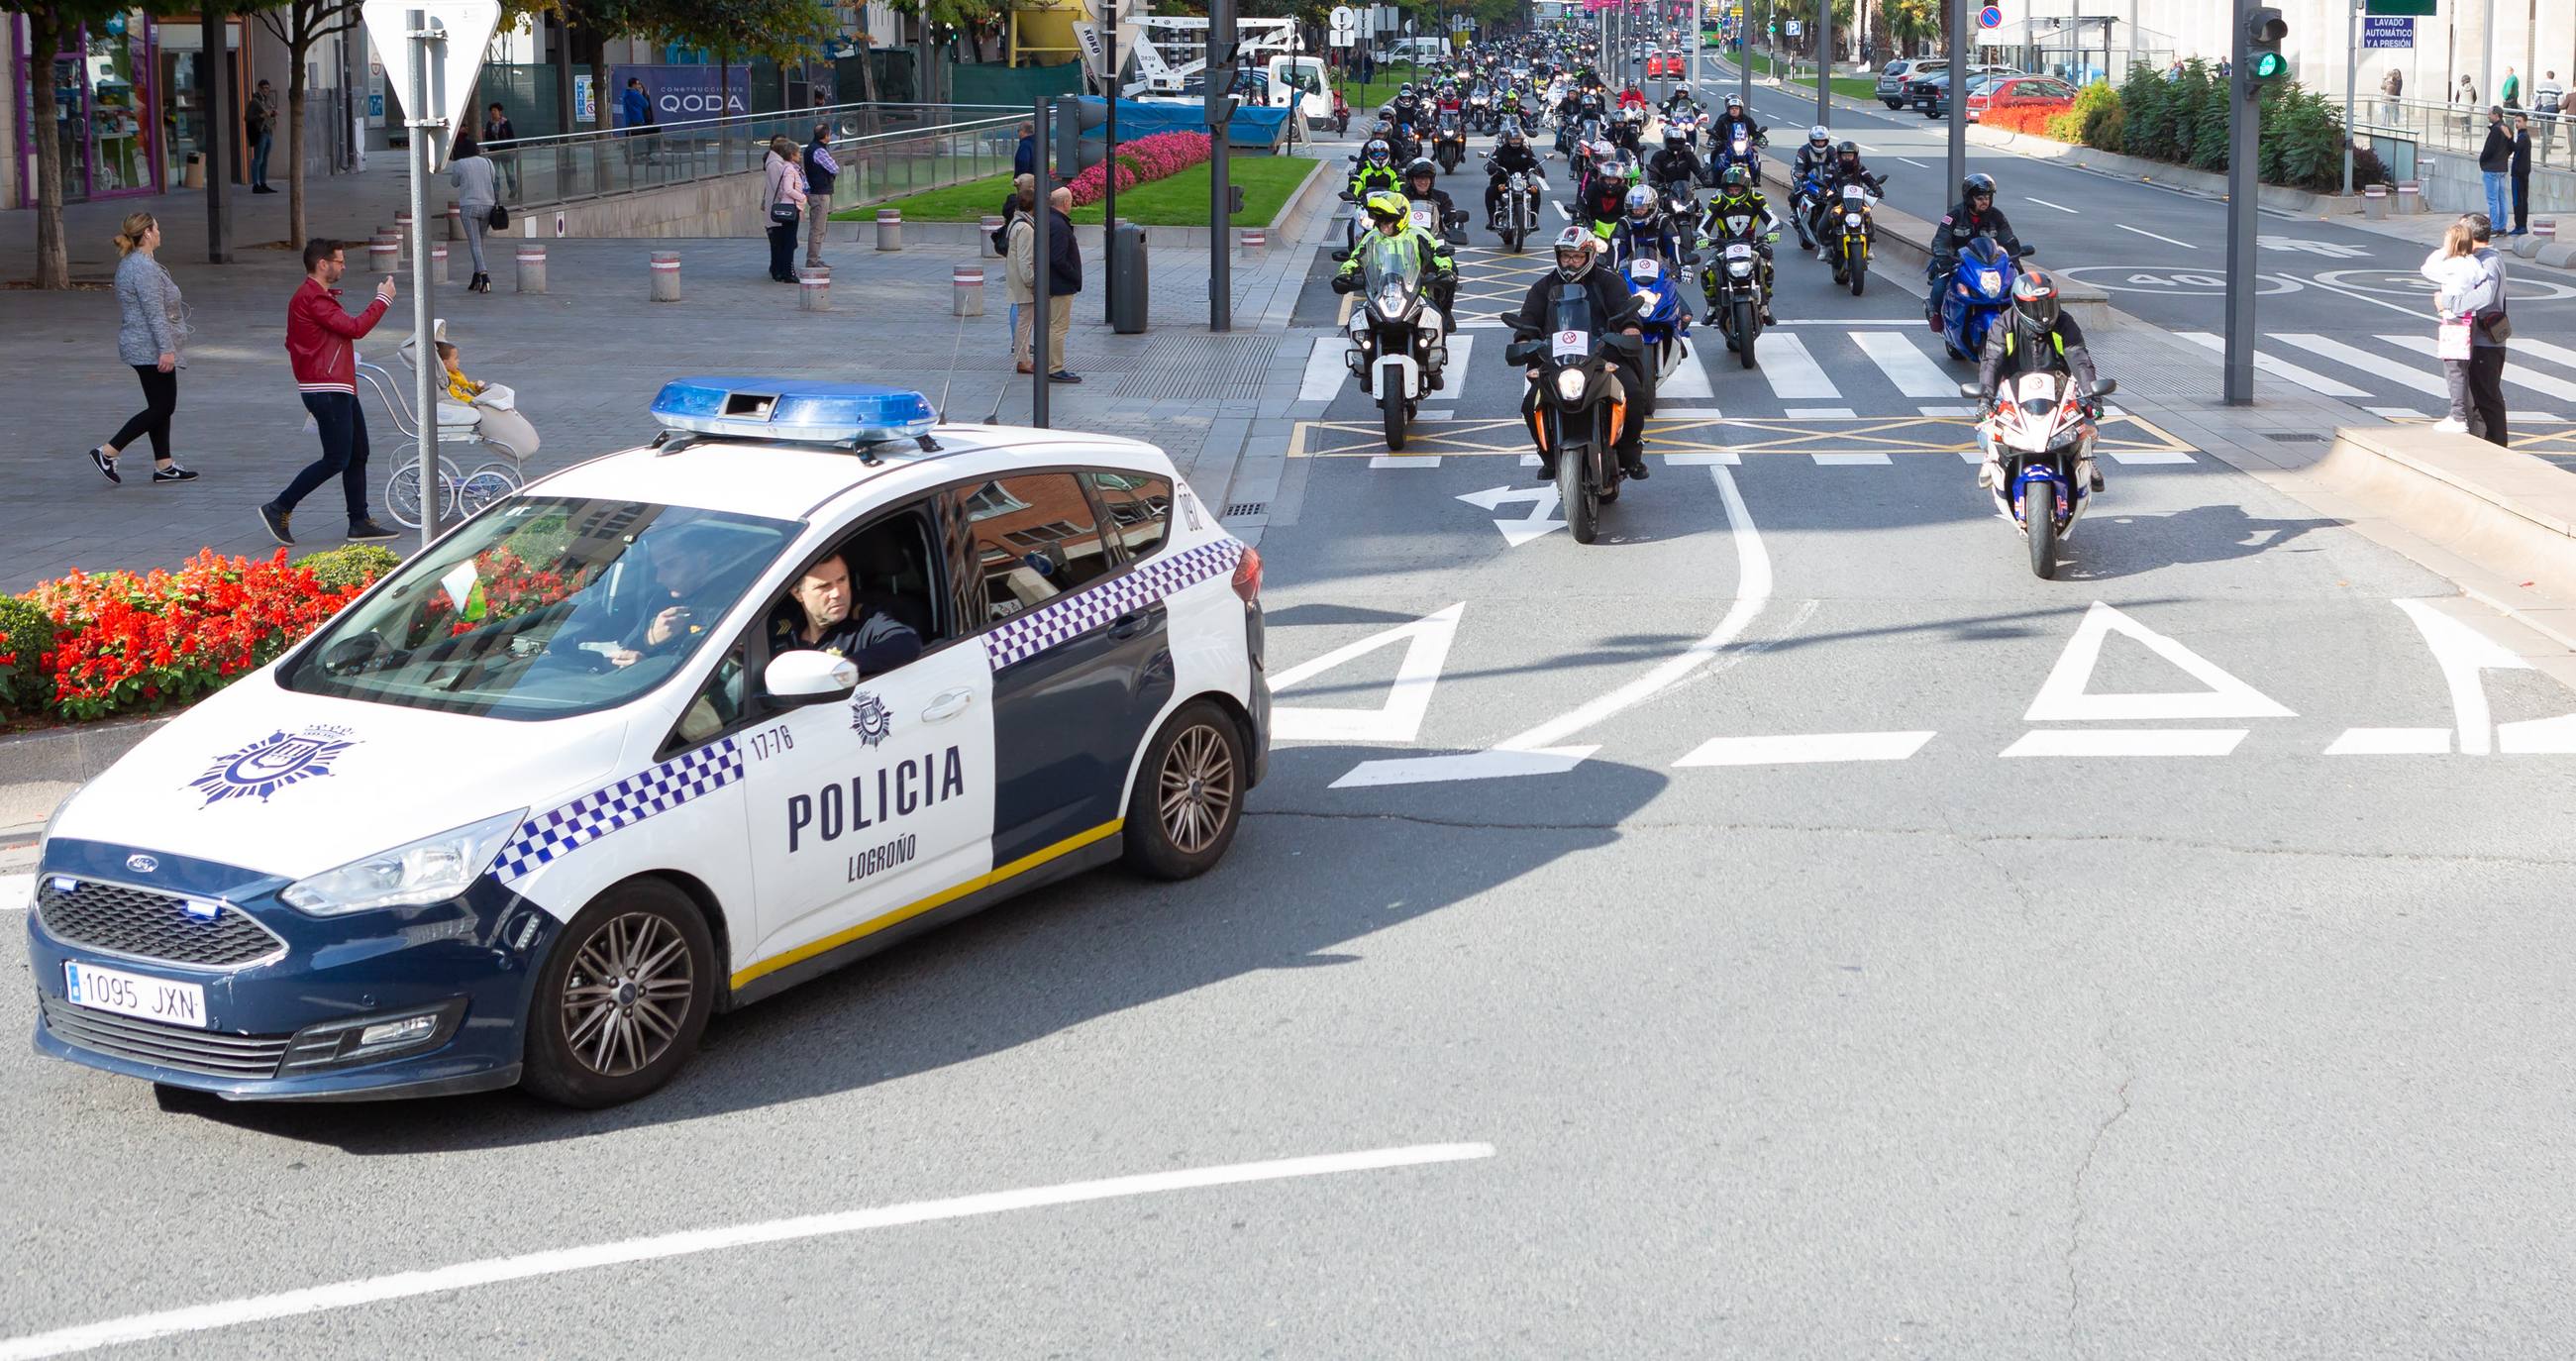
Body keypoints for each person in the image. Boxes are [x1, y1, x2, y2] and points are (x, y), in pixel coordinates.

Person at [259, 238, 398, 546]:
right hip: (327, 388)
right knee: (336, 458)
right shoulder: (313, 298)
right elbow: (355, 328)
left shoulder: (313, 297)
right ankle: (279, 507)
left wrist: (322, 354)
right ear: (322, 264)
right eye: (339, 261)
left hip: (336, 385)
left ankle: (359, 521)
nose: (343, 266)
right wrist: (383, 299)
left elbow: (294, 340)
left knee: (358, 453)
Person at [1504, 228, 1648, 482]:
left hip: (1603, 355)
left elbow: (1626, 312)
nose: (1570, 262)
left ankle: (1631, 454)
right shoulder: (1544, 286)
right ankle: (1548, 458)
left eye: (1576, 257)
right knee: (1530, 405)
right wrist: (1524, 340)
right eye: (1565, 256)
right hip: (1557, 360)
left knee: (1634, 393)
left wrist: (1630, 330)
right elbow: (1529, 319)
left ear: (1589, 255)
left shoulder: (1608, 282)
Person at [88, 212, 196, 485]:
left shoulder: (136, 263)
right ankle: (108, 451)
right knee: (163, 406)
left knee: (159, 405)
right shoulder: (143, 268)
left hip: (142, 343)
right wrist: (166, 349)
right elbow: (154, 314)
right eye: (157, 228)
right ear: (147, 233)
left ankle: (164, 465)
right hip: (148, 346)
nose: (160, 232)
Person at [1973, 270, 2104, 491]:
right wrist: (1985, 399)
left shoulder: (2064, 323)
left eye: (2047, 305)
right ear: (2019, 306)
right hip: (2012, 389)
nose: (2043, 315)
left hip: (2059, 387)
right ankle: (1990, 458)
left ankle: (2086, 460)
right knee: (1987, 430)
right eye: (2035, 307)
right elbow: (1991, 363)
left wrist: (2093, 397)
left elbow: (2079, 359)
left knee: (2086, 427)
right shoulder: (2004, 324)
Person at [770, 553, 924, 677]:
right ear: (798, 593)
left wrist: (846, 667)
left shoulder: (866, 623)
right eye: (824, 586)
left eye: (842, 580)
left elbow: (907, 643)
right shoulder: (780, 623)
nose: (837, 593)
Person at [1926, 172, 2022, 326]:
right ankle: (1936, 314)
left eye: (1987, 197)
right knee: (1939, 286)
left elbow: (2008, 239)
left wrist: (2015, 260)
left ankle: (2019, 322)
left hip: (1989, 264)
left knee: (2017, 286)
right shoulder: (1954, 215)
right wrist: (1942, 256)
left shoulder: (1997, 216)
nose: (1985, 202)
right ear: (1970, 199)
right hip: (1957, 262)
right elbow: (1941, 238)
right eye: (1980, 198)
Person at [2421, 220, 2485, 435]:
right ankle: (2460, 414)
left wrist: (2444, 250)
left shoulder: (2452, 265)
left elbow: (2427, 269)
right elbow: (2481, 278)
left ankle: (2457, 416)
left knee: (2454, 370)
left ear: (2453, 243)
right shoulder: (2473, 263)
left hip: (2454, 321)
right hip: (2470, 319)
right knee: (2461, 368)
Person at [2453, 214, 2511, 446]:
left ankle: (2496, 446)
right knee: (2473, 398)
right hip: (2476, 339)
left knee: (2485, 398)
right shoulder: (2476, 258)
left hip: (2486, 341)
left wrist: (2451, 303)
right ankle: (2481, 445)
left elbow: (2485, 295)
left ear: (2471, 235)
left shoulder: (2489, 261)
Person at [1697, 165, 1780, 325]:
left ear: (1746, 188)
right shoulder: (1717, 200)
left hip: (1752, 244)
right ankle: (1712, 307)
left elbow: (1771, 217)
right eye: (1730, 189)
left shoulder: (1757, 199)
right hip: (1723, 245)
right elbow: (1704, 223)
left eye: (1737, 189)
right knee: (1707, 271)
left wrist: (1773, 230)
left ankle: (1764, 307)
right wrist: (1702, 236)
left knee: (1767, 265)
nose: (1733, 193)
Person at [448, 130, 498, 294]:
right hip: (488, 205)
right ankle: (476, 276)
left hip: (469, 207)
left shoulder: (460, 164)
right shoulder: (488, 163)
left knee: (475, 243)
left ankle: (484, 276)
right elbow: (494, 180)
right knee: (480, 242)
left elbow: (454, 183)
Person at [1041, 185, 1082, 384]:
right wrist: (1073, 275)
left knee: (1051, 325)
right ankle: (1055, 367)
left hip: (1050, 282)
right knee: (1058, 327)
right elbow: (1057, 258)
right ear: (1066, 203)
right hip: (1060, 285)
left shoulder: (1049, 221)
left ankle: (1049, 365)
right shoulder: (1059, 226)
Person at [762, 135, 807, 283]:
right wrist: (801, 197)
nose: (800, 155)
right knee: (786, 242)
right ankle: (784, 271)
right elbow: (784, 189)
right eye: (798, 153)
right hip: (787, 208)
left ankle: (781, 271)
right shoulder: (780, 166)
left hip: (785, 206)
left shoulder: (781, 165)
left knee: (784, 242)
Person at [1002, 174, 1036, 370]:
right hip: (1024, 282)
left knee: (1024, 318)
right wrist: (1032, 281)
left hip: (1018, 279)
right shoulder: (1026, 228)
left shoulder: (1017, 221)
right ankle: (1023, 359)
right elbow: (1025, 259)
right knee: (1025, 320)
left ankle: (1022, 357)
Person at [1485, 126, 1546, 228]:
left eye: (1517, 139)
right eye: (1512, 139)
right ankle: (1492, 220)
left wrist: (1538, 169)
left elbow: (1534, 161)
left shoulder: (1526, 151)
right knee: (1489, 191)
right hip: (1503, 181)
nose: (1515, 141)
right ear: (1507, 139)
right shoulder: (1501, 150)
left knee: (1536, 191)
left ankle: (1533, 221)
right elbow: (1493, 160)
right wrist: (1492, 166)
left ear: (1521, 139)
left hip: (1521, 182)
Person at [1788, 124, 1835, 248]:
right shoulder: (1803, 150)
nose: (1819, 144)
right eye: (1817, 141)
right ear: (1811, 141)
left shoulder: (1831, 151)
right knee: (1795, 194)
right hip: (1808, 178)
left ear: (1827, 141)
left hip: (1826, 181)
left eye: (1822, 141)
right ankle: (1795, 214)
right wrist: (1800, 175)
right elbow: (1798, 166)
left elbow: (1838, 165)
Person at [802, 122, 840, 267]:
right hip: (820, 192)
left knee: (818, 228)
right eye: (829, 134)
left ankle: (815, 258)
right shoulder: (819, 151)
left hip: (816, 191)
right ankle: (813, 260)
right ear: (825, 136)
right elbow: (834, 168)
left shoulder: (811, 148)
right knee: (818, 228)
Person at [2477, 107, 2513, 236]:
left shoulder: (2496, 130)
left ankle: (2495, 227)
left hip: (2491, 168)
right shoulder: (2507, 128)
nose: (2488, 116)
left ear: (2496, 115)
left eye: (2489, 114)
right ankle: (2502, 227)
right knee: (2502, 198)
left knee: (2493, 200)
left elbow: (2489, 149)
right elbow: (2510, 148)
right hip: (2502, 167)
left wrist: (2482, 161)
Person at [1647, 124, 1703, 196]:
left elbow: (1697, 169)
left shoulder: (1689, 156)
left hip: (1685, 191)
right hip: (1664, 192)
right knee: (1657, 204)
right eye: (1672, 142)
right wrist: (1653, 180)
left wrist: (1705, 179)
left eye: (1679, 142)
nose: (1675, 145)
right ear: (1667, 142)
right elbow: (1653, 169)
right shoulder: (1659, 156)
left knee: (1697, 204)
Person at [481, 102, 518, 197]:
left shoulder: (506, 123)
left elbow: (511, 136)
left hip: (506, 152)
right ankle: (496, 193)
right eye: (492, 111)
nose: (493, 112)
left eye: (495, 110)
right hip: (494, 152)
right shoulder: (489, 124)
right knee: (495, 175)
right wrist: (488, 149)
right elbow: (488, 137)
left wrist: (512, 150)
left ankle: (513, 189)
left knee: (510, 173)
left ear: (500, 111)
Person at [247, 80, 277, 193]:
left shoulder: (267, 100)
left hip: (268, 131)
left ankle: (263, 183)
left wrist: (273, 114)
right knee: (258, 159)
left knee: (265, 159)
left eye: (268, 88)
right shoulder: (255, 101)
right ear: (259, 88)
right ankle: (255, 185)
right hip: (260, 132)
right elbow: (248, 117)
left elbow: (269, 113)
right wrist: (262, 115)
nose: (266, 90)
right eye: (264, 88)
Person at [2508, 113, 2532, 235]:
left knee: (2518, 201)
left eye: (2519, 121)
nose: (2517, 124)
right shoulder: (2523, 136)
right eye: (2515, 121)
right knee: (2522, 200)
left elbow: (2516, 149)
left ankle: (2520, 226)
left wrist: (2509, 137)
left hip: (2519, 174)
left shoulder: (2523, 137)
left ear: (2525, 122)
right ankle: (2521, 225)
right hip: (2522, 172)